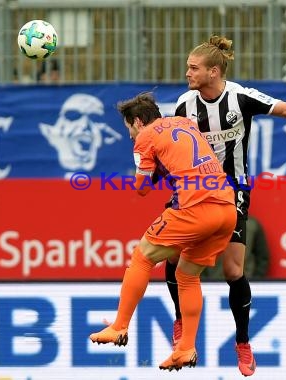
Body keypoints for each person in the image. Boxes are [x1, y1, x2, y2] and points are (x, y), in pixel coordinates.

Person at [165, 34, 286, 376]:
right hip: (192, 189)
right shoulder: (185, 104)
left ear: (213, 72)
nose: (187, 73)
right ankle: (181, 322)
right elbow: (174, 145)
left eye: (193, 68)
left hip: (233, 191)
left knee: (233, 271)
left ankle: (243, 342)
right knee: (171, 255)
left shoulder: (240, 97)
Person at [88, 92, 237, 372]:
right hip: (226, 209)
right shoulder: (185, 123)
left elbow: (142, 188)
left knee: (142, 257)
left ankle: (119, 327)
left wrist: (149, 167)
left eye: (129, 130)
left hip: (194, 207)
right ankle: (186, 348)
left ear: (137, 122)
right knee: (187, 275)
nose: (131, 137)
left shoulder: (146, 136)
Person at [202, 215, 270, 280]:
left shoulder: (252, 224)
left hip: (243, 282)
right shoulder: (208, 224)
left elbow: (262, 258)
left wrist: (255, 280)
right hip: (213, 284)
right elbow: (199, 254)